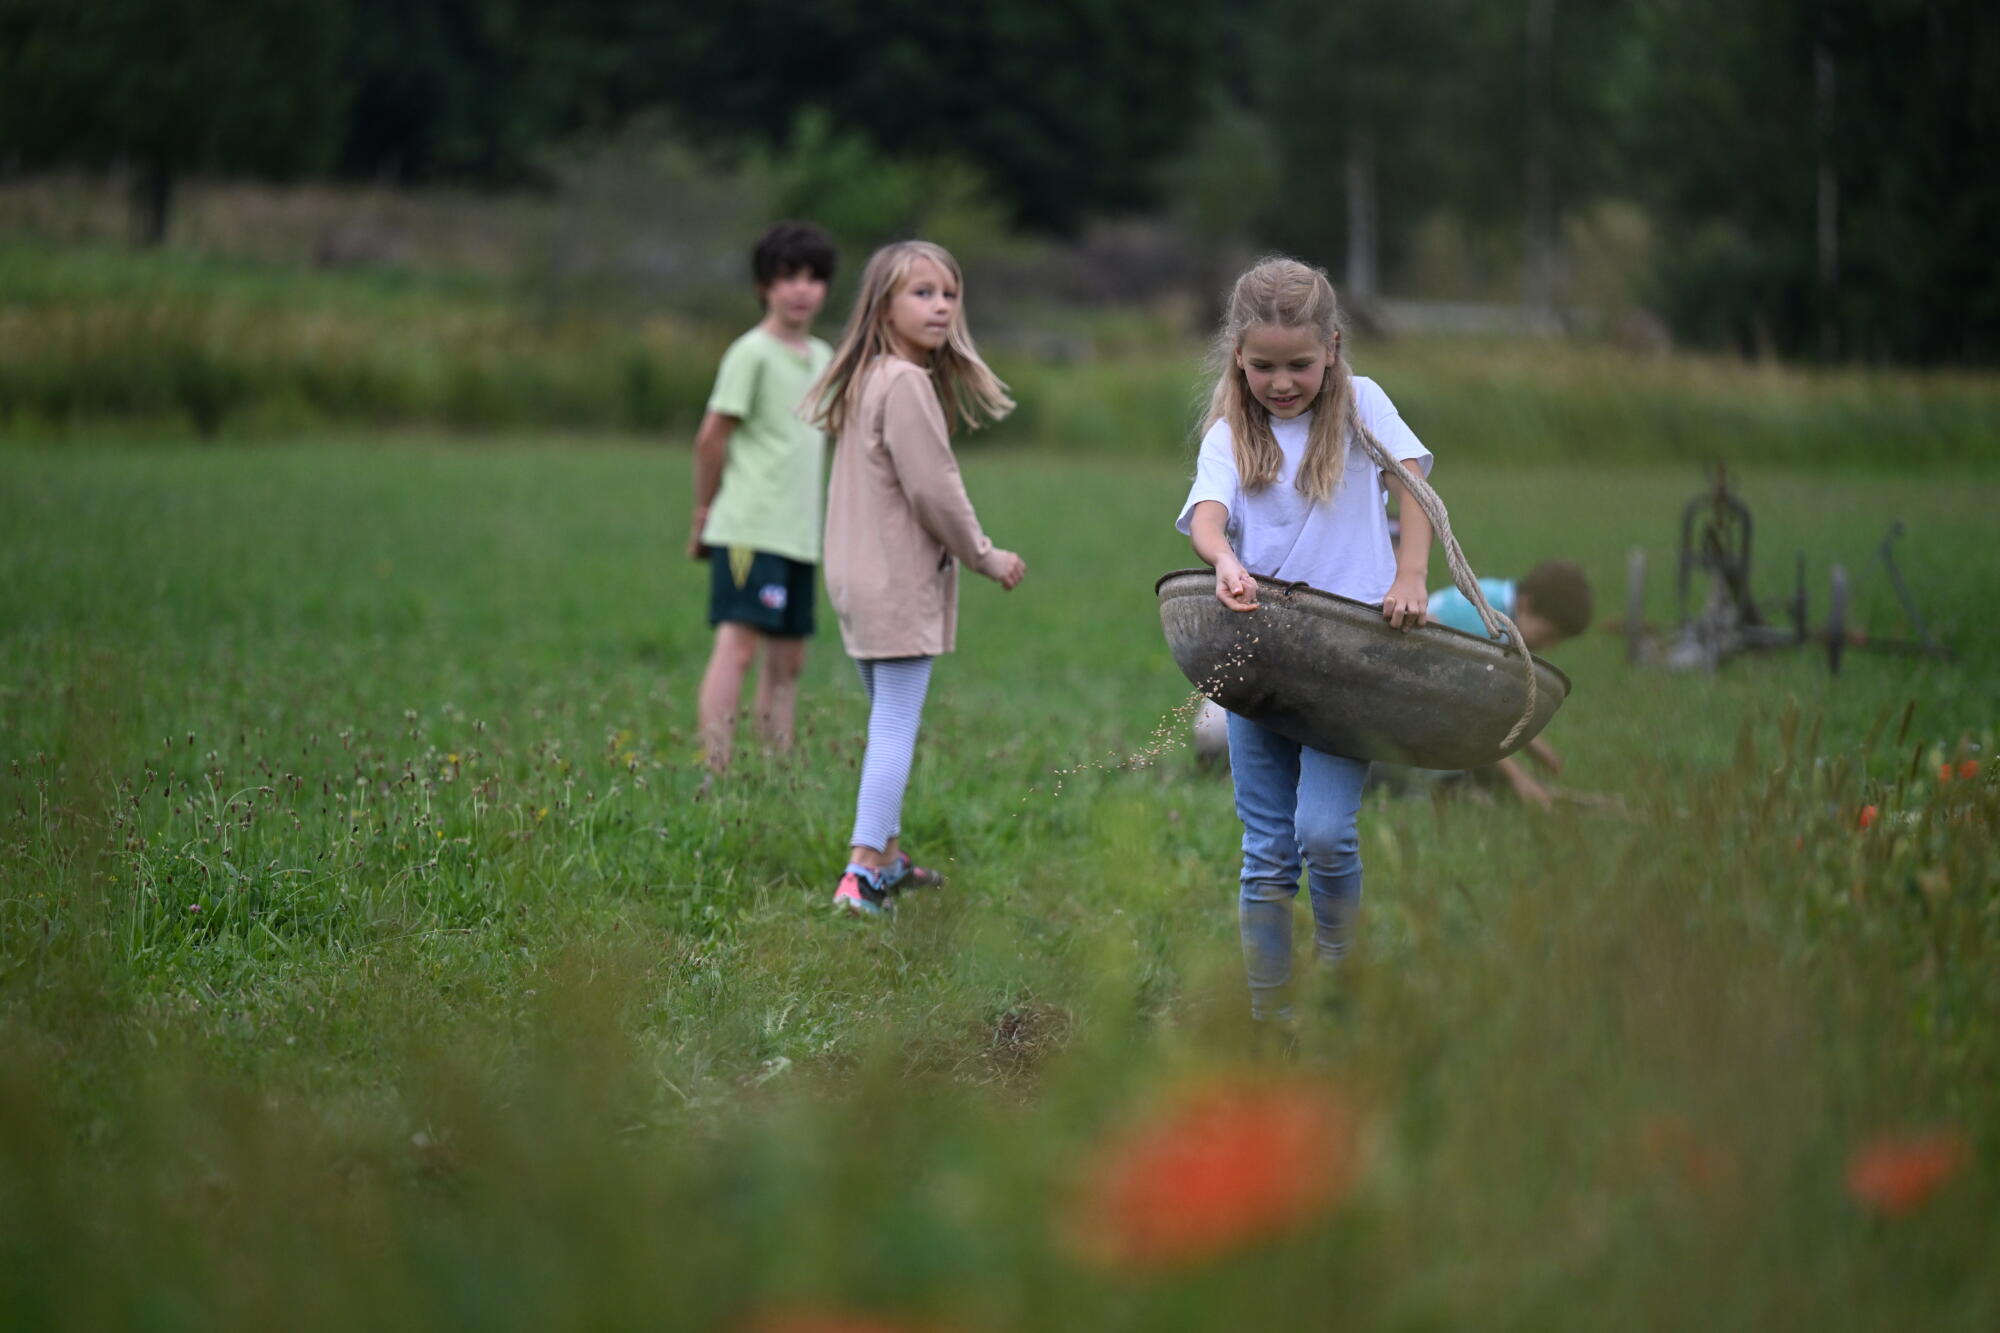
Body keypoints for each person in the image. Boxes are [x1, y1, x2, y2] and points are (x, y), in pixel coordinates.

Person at [1177, 256, 1434, 1022]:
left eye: (1299, 364)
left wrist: (1411, 575)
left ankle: (1341, 979)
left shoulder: (1361, 404)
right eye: (1263, 367)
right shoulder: (1230, 432)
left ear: (1333, 347)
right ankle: (1272, 1019)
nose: (1282, 382)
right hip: (1259, 658)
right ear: (1238, 358)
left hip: (1351, 658)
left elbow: (1414, 481)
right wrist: (1224, 559)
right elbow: (1209, 515)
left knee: (1324, 831)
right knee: (1267, 852)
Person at [806, 241, 1027, 917]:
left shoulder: (871, 375)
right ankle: (861, 870)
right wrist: (984, 553)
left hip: (853, 576)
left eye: (949, 293)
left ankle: (890, 858)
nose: (940, 306)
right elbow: (935, 489)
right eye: (921, 293)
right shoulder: (903, 382)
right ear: (883, 304)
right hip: (893, 582)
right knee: (896, 724)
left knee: (885, 716)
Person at [690, 222, 838, 774]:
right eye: (787, 277)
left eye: (813, 278)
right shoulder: (749, 353)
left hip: (800, 532)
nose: (801, 290)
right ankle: (717, 769)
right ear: (763, 286)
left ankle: (779, 771)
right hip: (750, 526)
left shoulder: (824, 357)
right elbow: (711, 438)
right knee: (740, 647)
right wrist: (704, 514)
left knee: (791, 658)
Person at [1422, 561, 1593, 809]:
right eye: (1547, 635)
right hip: (1422, 714)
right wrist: (1518, 779)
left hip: (1439, 703)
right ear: (1526, 604)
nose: (1550, 647)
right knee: (1483, 788)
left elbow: (1487, 702)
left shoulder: (1498, 599)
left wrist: (1530, 742)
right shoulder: (1490, 627)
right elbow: (1468, 714)